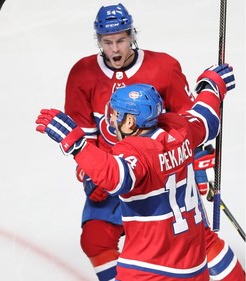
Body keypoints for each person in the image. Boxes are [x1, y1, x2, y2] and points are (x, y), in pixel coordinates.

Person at [64, 3, 245, 280]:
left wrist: (197, 166)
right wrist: (90, 174)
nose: (114, 49)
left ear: (132, 36)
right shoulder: (82, 74)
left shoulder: (163, 67)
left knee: (194, 236)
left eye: (121, 40)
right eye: (107, 42)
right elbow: (86, 135)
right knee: (94, 240)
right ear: (98, 41)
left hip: (158, 172)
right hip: (110, 170)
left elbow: (184, 124)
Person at [36, 64, 234, 280]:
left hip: (149, 270)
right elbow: (207, 119)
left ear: (129, 122)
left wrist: (78, 145)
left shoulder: (137, 151)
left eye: (115, 115)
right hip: (194, 268)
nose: (111, 121)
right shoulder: (180, 130)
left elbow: (117, 177)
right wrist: (212, 86)